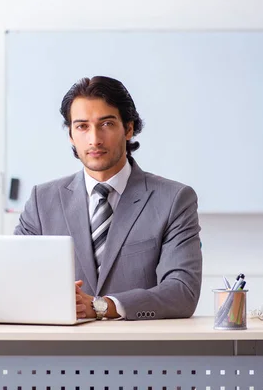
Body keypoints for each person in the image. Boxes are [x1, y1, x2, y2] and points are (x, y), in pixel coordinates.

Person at [14, 76, 202, 321]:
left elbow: (182, 292)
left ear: (129, 128)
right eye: (82, 126)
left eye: (106, 124)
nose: (94, 139)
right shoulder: (42, 201)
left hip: (140, 351)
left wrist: (101, 306)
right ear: (71, 134)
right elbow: (16, 279)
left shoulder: (174, 200)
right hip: (60, 349)